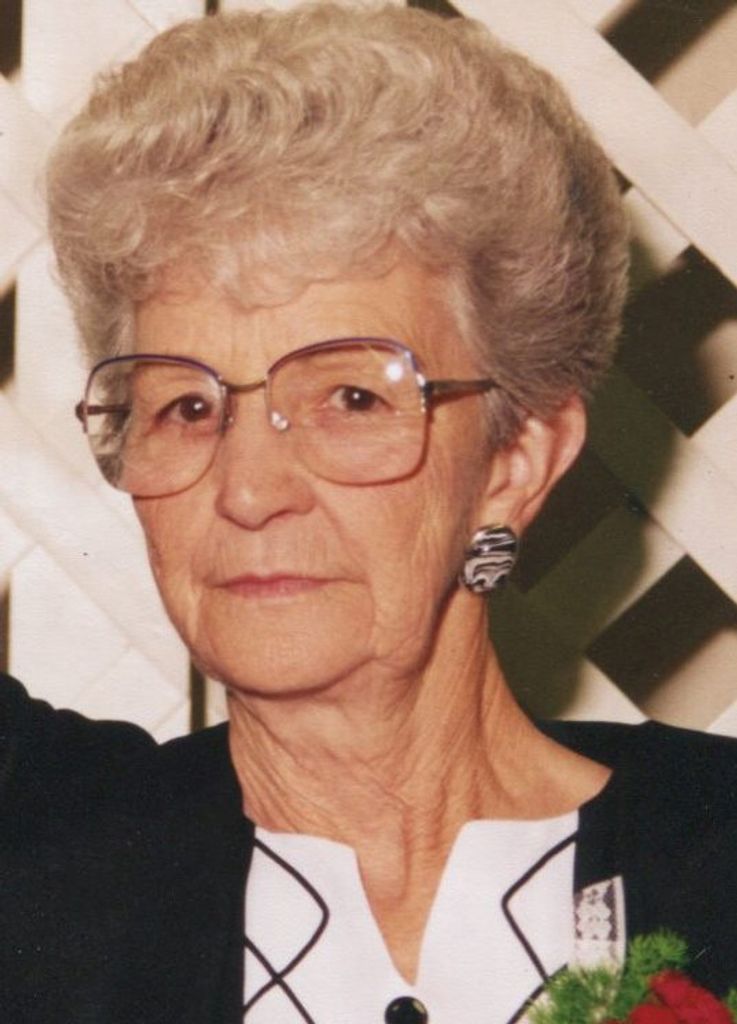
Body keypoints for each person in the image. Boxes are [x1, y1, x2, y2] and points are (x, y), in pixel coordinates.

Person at [2, 4, 737, 1023]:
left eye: (350, 397)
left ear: (514, 461)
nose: (248, 489)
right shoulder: (37, 859)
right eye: (186, 406)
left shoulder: (715, 853)